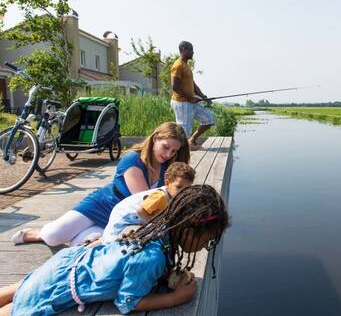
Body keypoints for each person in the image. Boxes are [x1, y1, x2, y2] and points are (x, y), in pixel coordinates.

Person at [0, 185, 229, 316]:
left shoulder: (159, 228)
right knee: (18, 307)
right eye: (206, 240)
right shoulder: (152, 257)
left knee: (23, 287)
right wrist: (175, 298)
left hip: (69, 263)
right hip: (62, 285)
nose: (203, 246)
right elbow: (128, 302)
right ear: (187, 229)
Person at [11, 122, 190, 247]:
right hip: (103, 205)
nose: (168, 154)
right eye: (166, 147)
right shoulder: (132, 159)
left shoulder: (168, 169)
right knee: (53, 236)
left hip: (121, 220)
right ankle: (37, 233)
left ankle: (79, 235)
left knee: (80, 245)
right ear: (156, 138)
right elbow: (145, 202)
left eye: (174, 151)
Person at [101, 162, 196, 243]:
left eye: (187, 189)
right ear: (167, 183)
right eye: (179, 187)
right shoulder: (161, 196)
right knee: (112, 241)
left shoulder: (173, 196)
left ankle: (95, 242)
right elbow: (141, 210)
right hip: (124, 218)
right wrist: (155, 224)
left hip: (134, 218)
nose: (182, 192)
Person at [170, 41, 216, 149]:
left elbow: (193, 85)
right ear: (184, 49)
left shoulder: (186, 66)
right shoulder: (178, 65)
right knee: (184, 130)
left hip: (191, 102)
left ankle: (191, 141)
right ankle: (180, 154)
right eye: (191, 49)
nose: (193, 52)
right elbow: (175, 86)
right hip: (181, 102)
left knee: (209, 119)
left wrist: (204, 97)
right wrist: (190, 98)